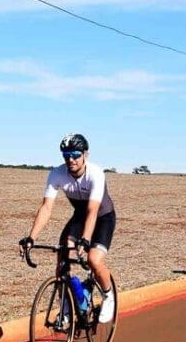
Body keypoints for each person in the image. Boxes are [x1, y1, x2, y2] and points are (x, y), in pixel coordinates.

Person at [19, 133, 116, 323]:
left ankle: (108, 295)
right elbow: (46, 207)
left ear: (85, 154)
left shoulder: (95, 173)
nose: (70, 159)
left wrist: (85, 240)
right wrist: (31, 237)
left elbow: (92, 211)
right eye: (66, 155)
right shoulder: (57, 173)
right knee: (62, 261)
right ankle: (66, 306)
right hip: (79, 217)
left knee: (93, 260)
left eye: (75, 155)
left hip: (102, 217)